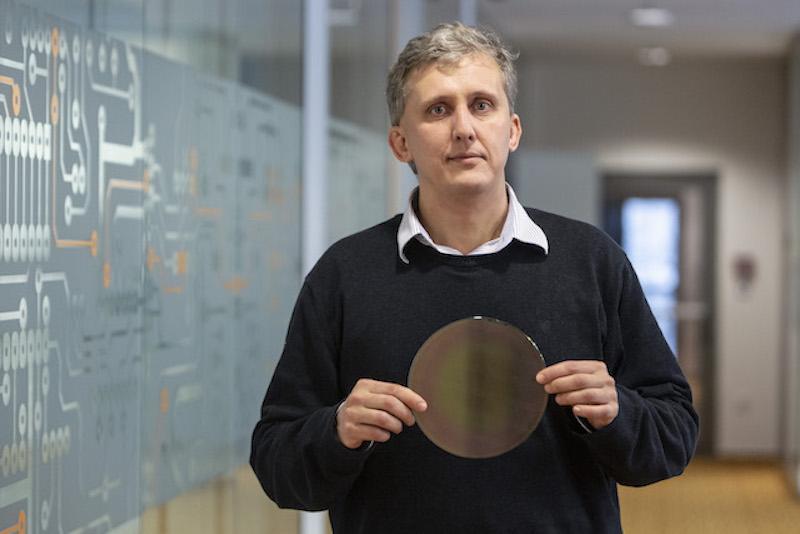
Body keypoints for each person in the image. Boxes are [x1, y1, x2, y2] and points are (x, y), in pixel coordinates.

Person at [250, 22, 698, 533]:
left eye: (482, 105)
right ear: (400, 143)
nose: (463, 128)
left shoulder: (592, 261)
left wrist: (618, 413)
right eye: (438, 110)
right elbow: (278, 465)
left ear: (512, 130)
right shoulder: (345, 275)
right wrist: (337, 431)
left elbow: (673, 438)